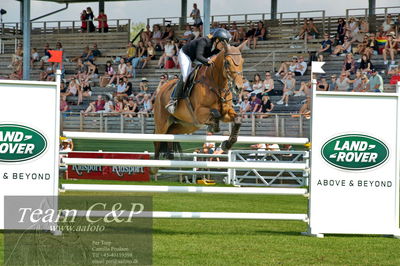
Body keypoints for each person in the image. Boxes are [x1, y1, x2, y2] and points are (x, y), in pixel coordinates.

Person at [165, 28, 232, 114]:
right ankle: (173, 101)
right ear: (217, 40)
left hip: (201, 56)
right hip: (187, 55)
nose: (223, 46)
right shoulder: (204, 41)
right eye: (223, 44)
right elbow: (199, 57)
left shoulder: (217, 46)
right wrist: (208, 62)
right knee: (186, 76)